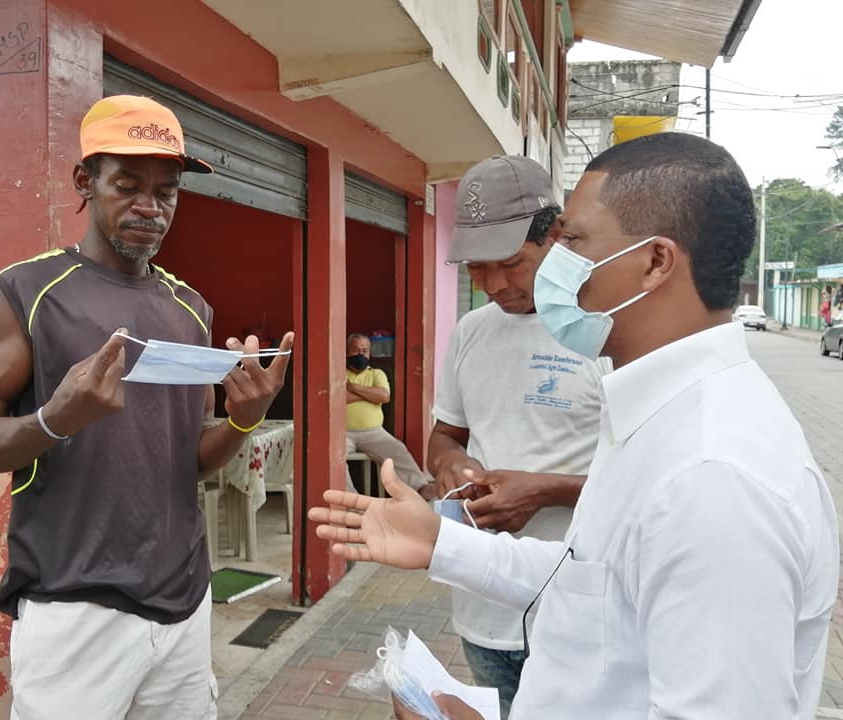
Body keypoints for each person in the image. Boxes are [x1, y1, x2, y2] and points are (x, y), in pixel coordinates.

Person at [310, 132, 839, 719]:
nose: (555, 266)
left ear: (654, 262)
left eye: (574, 241)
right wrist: (441, 541)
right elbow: (589, 578)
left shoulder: (716, 478)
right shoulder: (656, 415)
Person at [0, 94, 294, 720]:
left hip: (184, 600)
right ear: (85, 181)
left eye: (167, 191)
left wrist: (243, 420)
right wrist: (56, 419)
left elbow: (189, 461)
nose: (150, 206)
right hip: (74, 606)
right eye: (128, 185)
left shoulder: (191, 309)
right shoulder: (27, 292)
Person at [428, 155, 605, 718]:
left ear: (555, 237)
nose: (495, 286)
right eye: (477, 269)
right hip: (481, 608)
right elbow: (445, 435)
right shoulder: (471, 331)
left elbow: (650, 483)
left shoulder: (605, 335)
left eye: (511, 263)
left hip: (581, 615)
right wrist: (451, 465)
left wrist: (546, 491)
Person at [345, 333, 433, 499]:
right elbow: (339, 397)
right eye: (356, 350)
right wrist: (370, 395)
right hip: (343, 433)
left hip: (374, 432)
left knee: (398, 450)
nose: (361, 354)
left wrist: (354, 388)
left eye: (365, 351)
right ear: (346, 352)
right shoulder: (339, 373)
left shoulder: (377, 374)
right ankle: (351, 500)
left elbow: (384, 396)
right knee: (334, 459)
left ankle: (421, 487)